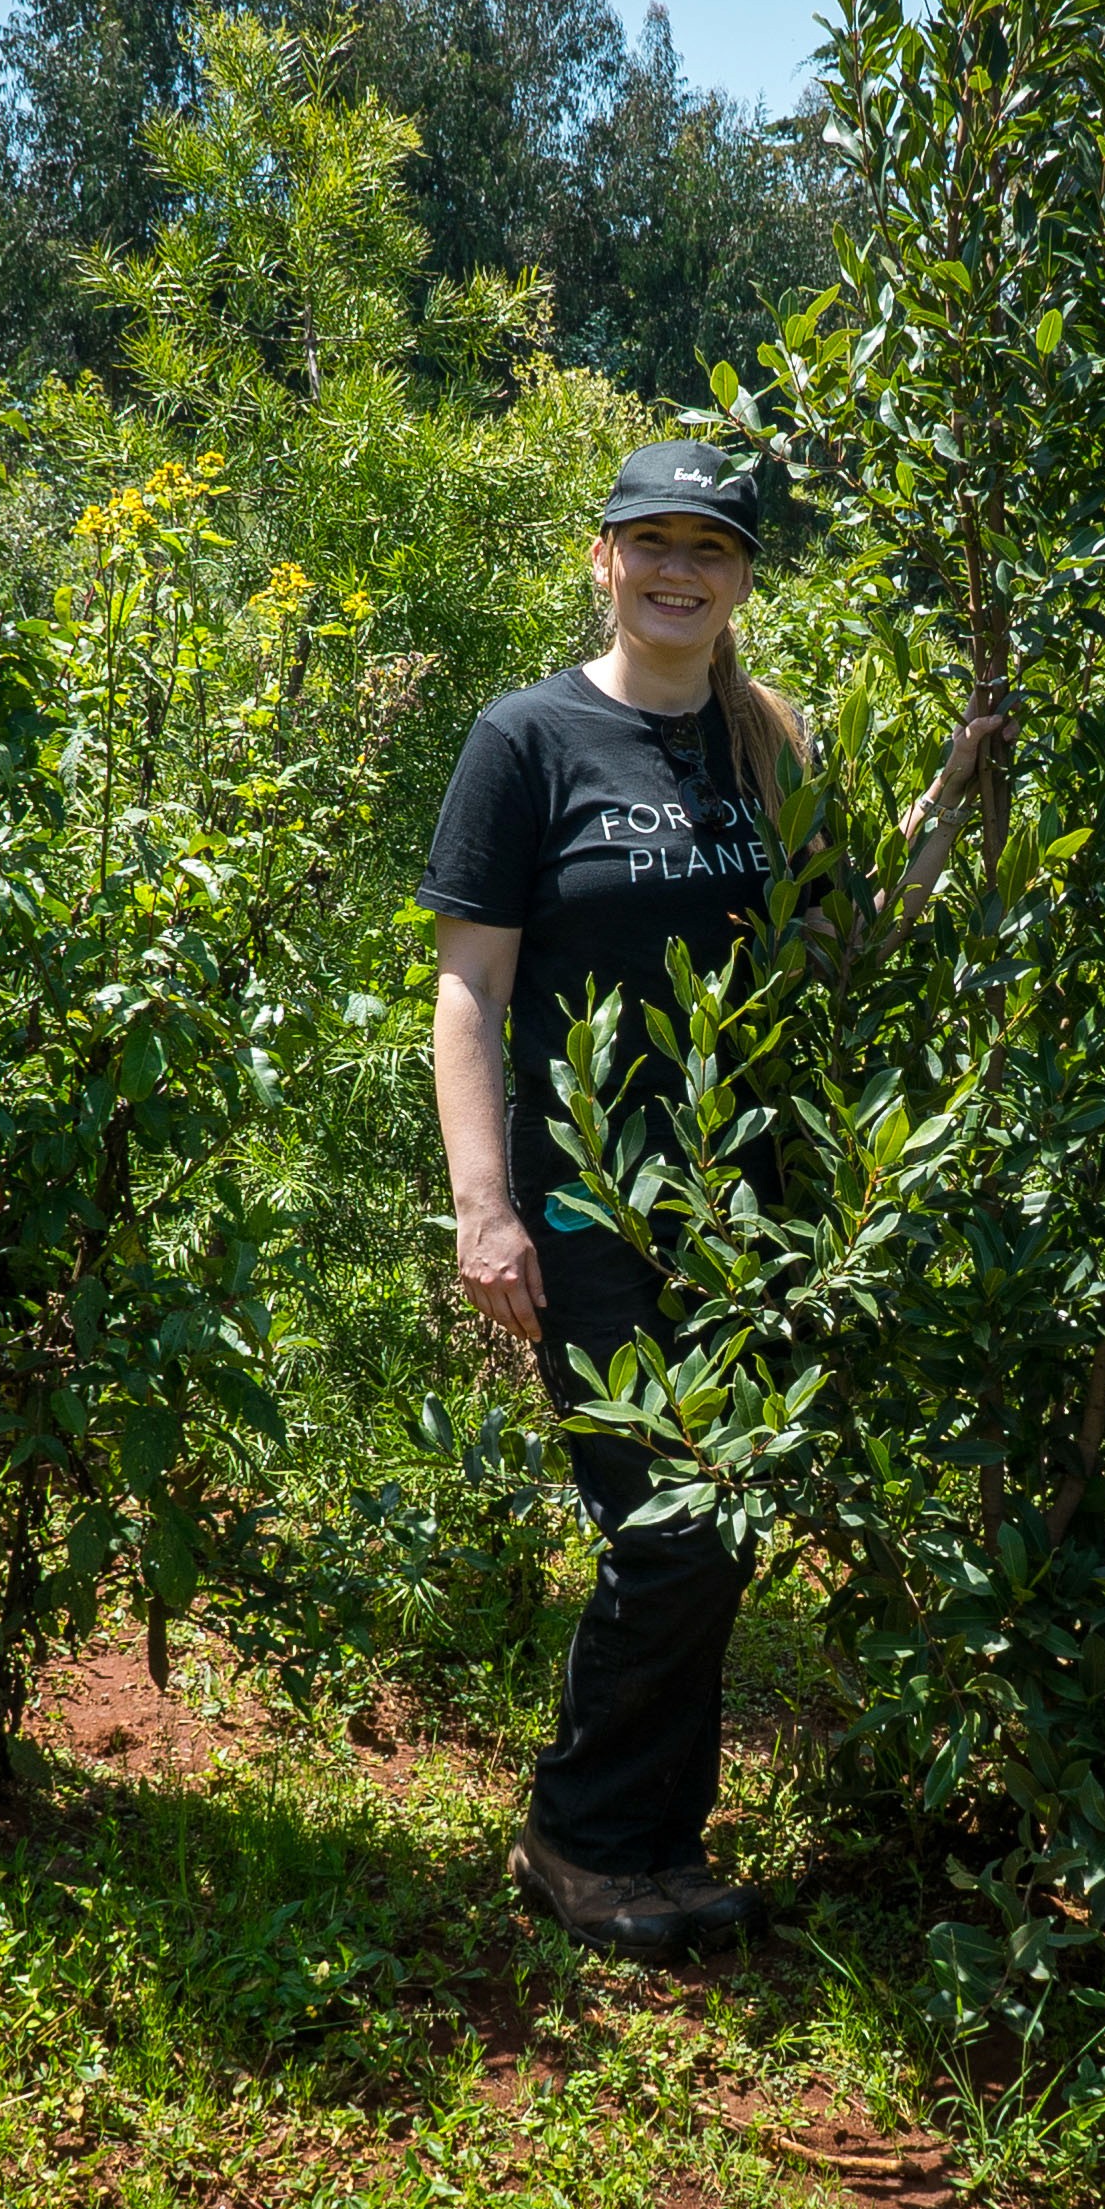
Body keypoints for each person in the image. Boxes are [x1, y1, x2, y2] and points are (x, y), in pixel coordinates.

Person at [419, 437, 1000, 1960]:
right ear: (602, 557)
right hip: (591, 1196)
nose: (680, 570)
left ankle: (653, 1842)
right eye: (653, 541)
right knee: (664, 1529)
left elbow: (840, 946)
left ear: (743, 578)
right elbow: (469, 993)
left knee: (717, 1522)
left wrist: (945, 800)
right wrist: (484, 1207)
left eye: (713, 548)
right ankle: (581, 1836)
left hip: (755, 1205)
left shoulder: (769, 743)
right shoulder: (527, 738)